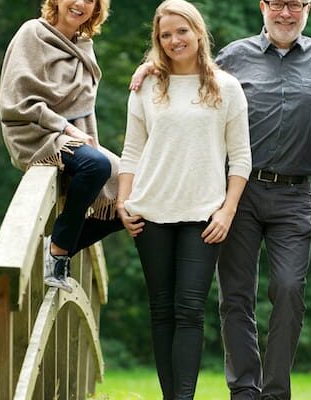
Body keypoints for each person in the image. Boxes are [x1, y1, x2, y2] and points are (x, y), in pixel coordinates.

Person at [117, 0, 252, 398]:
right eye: (165, 34)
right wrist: (123, 202)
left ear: (197, 33)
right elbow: (131, 151)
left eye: (181, 31)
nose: (174, 40)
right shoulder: (146, 87)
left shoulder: (226, 87)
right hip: (150, 212)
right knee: (161, 311)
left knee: (190, 310)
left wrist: (227, 211)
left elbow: (241, 157)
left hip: (203, 215)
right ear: (157, 41)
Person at [0, 0, 123, 291]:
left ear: (96, 9)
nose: (79, 3)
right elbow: (18, 101)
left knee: (133, 195)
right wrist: (65, 128)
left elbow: (83, 110)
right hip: (33, 132)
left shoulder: (84, 47)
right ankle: (58, 254)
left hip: (74, 138)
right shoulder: (33, 33)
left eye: (90, 0)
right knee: (97, 165)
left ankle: (58, 245)